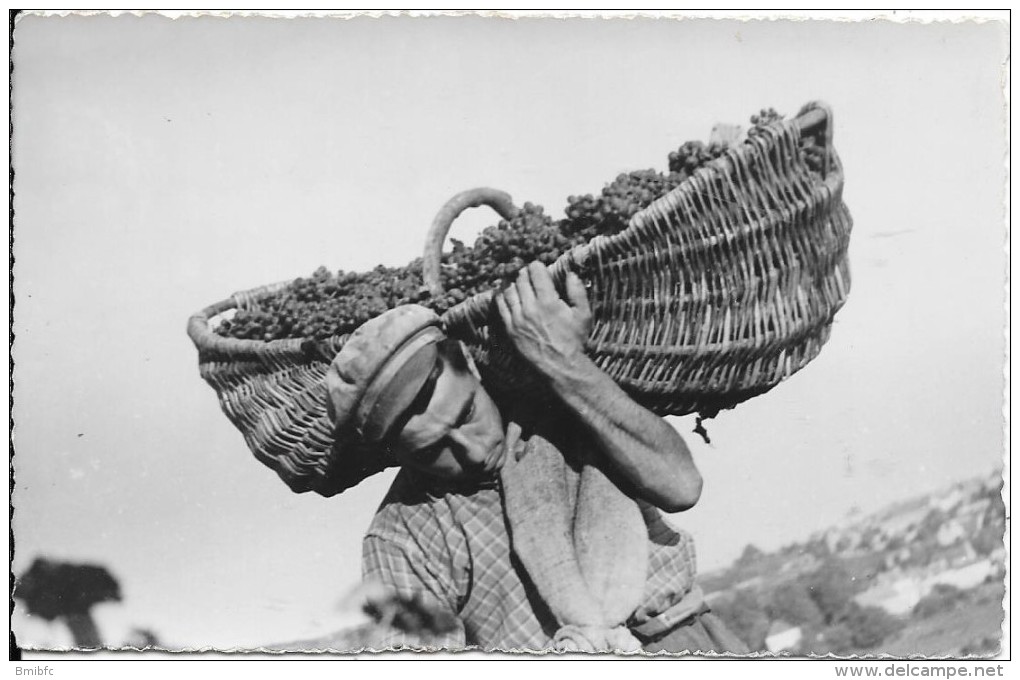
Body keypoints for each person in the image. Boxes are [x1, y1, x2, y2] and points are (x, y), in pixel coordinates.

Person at [324, 261, 748, 654]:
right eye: (434, 449)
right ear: (397, 455)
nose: (472, 450)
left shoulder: (561, 404)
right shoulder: (403, 538)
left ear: (471, 365)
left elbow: (681, 485)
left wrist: (564, 361)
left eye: (467, 413)